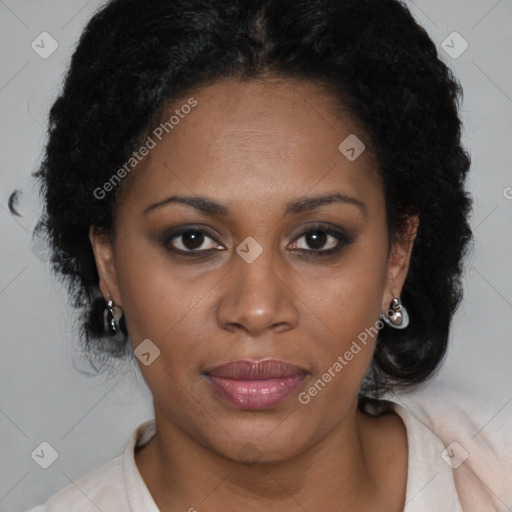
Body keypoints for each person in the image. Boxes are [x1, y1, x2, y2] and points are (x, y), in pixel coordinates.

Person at [18, 0, 511, 510]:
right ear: (109, 263)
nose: (256, 310)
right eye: (193, 240)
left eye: (317, 239)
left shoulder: (492, 475)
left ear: (396, 256)